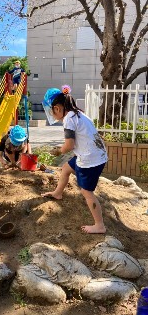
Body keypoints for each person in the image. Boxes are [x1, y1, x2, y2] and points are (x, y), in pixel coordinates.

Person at [41, 85, 108, 234]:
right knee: (66, 168)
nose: (52, 114)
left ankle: (99, 225)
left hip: (91, 160)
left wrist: (58, 151)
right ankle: (58, 193)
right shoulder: (78, 114)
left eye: (51, 111)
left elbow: (69, 145)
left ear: (57, 108)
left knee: (86, 192)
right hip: (92, 154)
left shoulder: (68, 119)